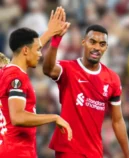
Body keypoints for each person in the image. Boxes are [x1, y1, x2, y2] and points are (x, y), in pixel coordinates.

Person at [43, 20, 129, 157]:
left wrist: (128, 154)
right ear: (84, 42)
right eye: (93, 42)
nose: (97, 47)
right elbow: (48, 69)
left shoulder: (112, 79)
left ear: (106, 47)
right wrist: (55, 42)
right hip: (68, 148)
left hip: (94, 151)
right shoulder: (68, 69)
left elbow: (118, 120)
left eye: (102, 44)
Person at [0, 7, 72, 158]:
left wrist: (50, 33)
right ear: (26, 51)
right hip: (17, 152)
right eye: (38, 50)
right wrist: (54, 117)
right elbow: (18, 117)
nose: (40, 54)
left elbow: (32, 46)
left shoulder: (5, 71)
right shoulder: (16, 78)